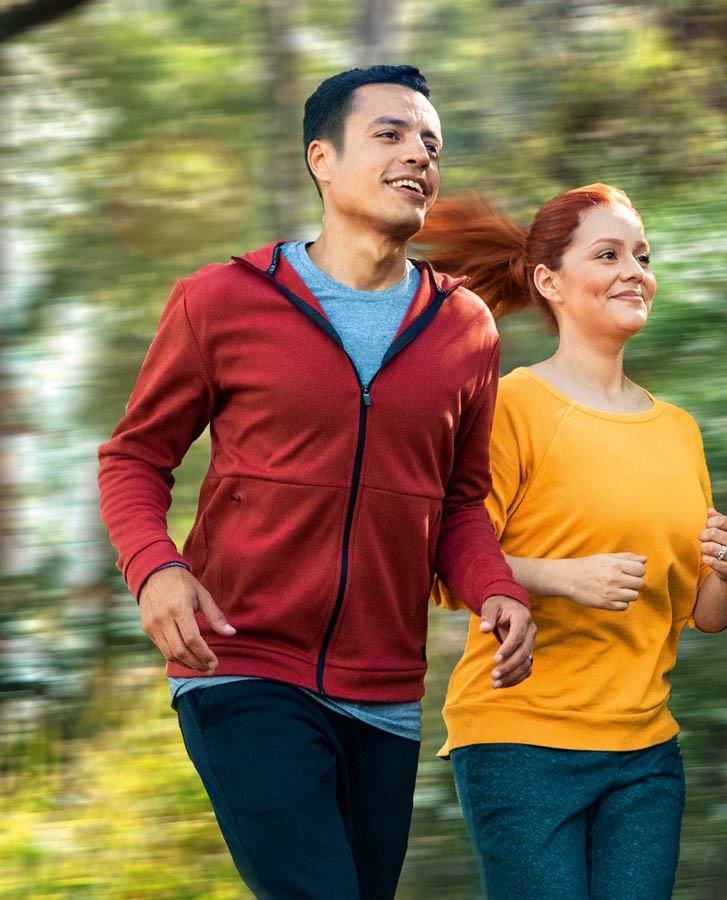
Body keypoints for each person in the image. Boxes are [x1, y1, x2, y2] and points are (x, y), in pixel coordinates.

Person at [97, 65, 535, 900]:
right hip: (242, 660)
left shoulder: (465, 328)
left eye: (432, 143)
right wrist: (155, 569)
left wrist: (496, 588)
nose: (419, 155)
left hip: (385, 688)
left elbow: (458, 503)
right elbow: (135, 458)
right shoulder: (222, 300)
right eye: (390, 134)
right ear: (321, 160)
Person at [416, 183, 727, 900]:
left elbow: (704, 614)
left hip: (645, 751)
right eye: (608, 255)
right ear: (549, 281)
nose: (635, 272)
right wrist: (566, 577)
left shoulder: (678, 430)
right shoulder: (513, 406)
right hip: (522, 739)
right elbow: (445, 566)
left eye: (643, 256)